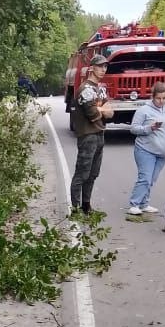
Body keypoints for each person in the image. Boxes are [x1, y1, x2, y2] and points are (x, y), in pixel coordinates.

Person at [70, 53, 113, 216]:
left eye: (105, 66)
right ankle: (75, 209)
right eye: (100, 66)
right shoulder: (85, 89)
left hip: (99, 133)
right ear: (92, 68)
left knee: (93, 174)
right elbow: (93, 114)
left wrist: (102, 110)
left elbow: (110, 112)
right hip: (87, 135)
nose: (103, 69)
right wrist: (102, 110)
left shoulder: (100, 89)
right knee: (82, 173)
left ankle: (86, 206)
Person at [127, 83, 165, 215]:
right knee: (145, 177)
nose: (161, 101)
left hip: (163, 152)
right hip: (145, 149)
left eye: (164, 98)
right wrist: (150, 128)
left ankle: (144, 203)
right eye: (158, 98)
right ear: (153, 97)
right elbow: (133, 128)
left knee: (152, 179)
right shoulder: (144, 110)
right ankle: (134, 203)